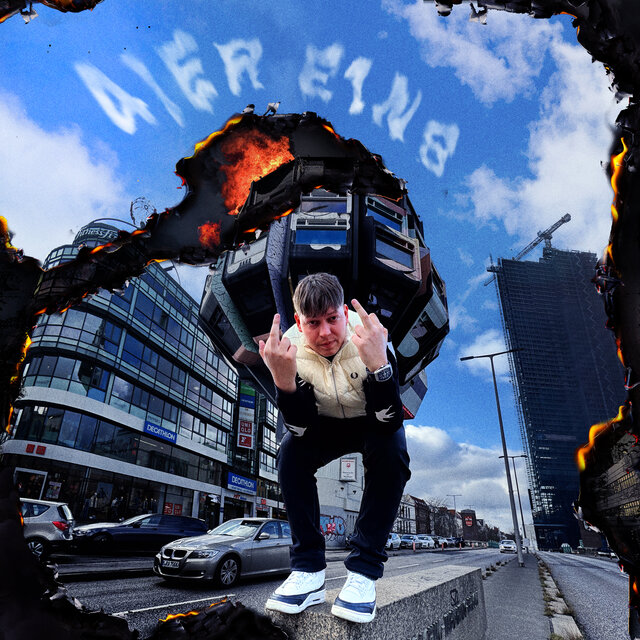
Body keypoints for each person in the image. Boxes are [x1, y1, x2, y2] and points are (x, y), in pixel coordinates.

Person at [259, 272, 410, 623]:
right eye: (313, 323)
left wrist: (380, 366)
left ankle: (363, 572)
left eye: (332, 319)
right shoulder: (289, 351)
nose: (325, 333)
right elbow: (301, 429)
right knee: (290, 454)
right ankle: (308, 570)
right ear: (299, 323)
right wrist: (283, 383)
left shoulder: (372, 337)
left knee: (392, 453)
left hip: (371, 419)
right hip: (324, 422)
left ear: (344, 313)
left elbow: (389, 420)